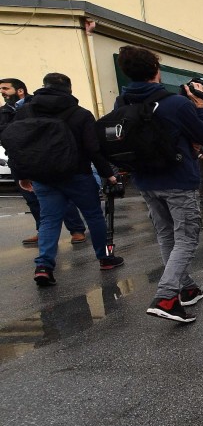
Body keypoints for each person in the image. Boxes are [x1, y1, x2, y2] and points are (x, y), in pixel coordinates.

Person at [115, 46, 203, 323]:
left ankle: (186, 287)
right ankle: (167, 296)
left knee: (166, 235)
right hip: (178, 178)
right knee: (186, 238)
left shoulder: (122, 103)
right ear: (156, 71)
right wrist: (201, 107)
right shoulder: (176, 104)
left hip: (145, 180)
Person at [8, 72, 123, 286]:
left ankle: (44, 266)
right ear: (69, 89)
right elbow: (93, 149)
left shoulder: (26, 111)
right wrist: (108, 174)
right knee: (94, 216)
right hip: (77, 174)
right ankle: (105, 258)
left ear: (43, 86)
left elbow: (17, 146)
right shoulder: (80, 114)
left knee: (49, 220)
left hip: (43, 177)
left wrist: (21, 175)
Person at [1, 77, 88, 246]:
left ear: (20, 90)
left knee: (60, 195)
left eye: (5, 89)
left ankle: (76, 230)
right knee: (32, 199)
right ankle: (42, 231)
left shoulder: (38, 104)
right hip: (20, 159)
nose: (2, 92)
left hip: (45, 157)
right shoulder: (3, 112)